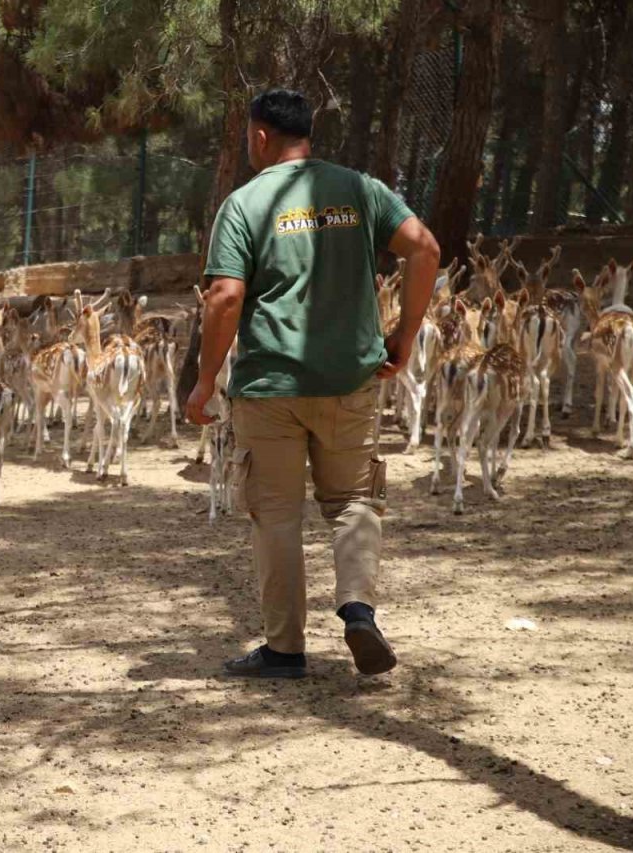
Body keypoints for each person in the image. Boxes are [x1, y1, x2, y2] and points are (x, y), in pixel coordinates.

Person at [186, 88, 440, 678]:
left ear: (259, 137)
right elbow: (425, 248)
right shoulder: (360, 189)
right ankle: (357, 610)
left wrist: (204, 379)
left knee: (276, 515)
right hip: (350, 382)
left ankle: (284, 650)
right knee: (354, 502)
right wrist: (404, 333)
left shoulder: (243, 204)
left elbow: (224, 296)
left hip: (270, 388)